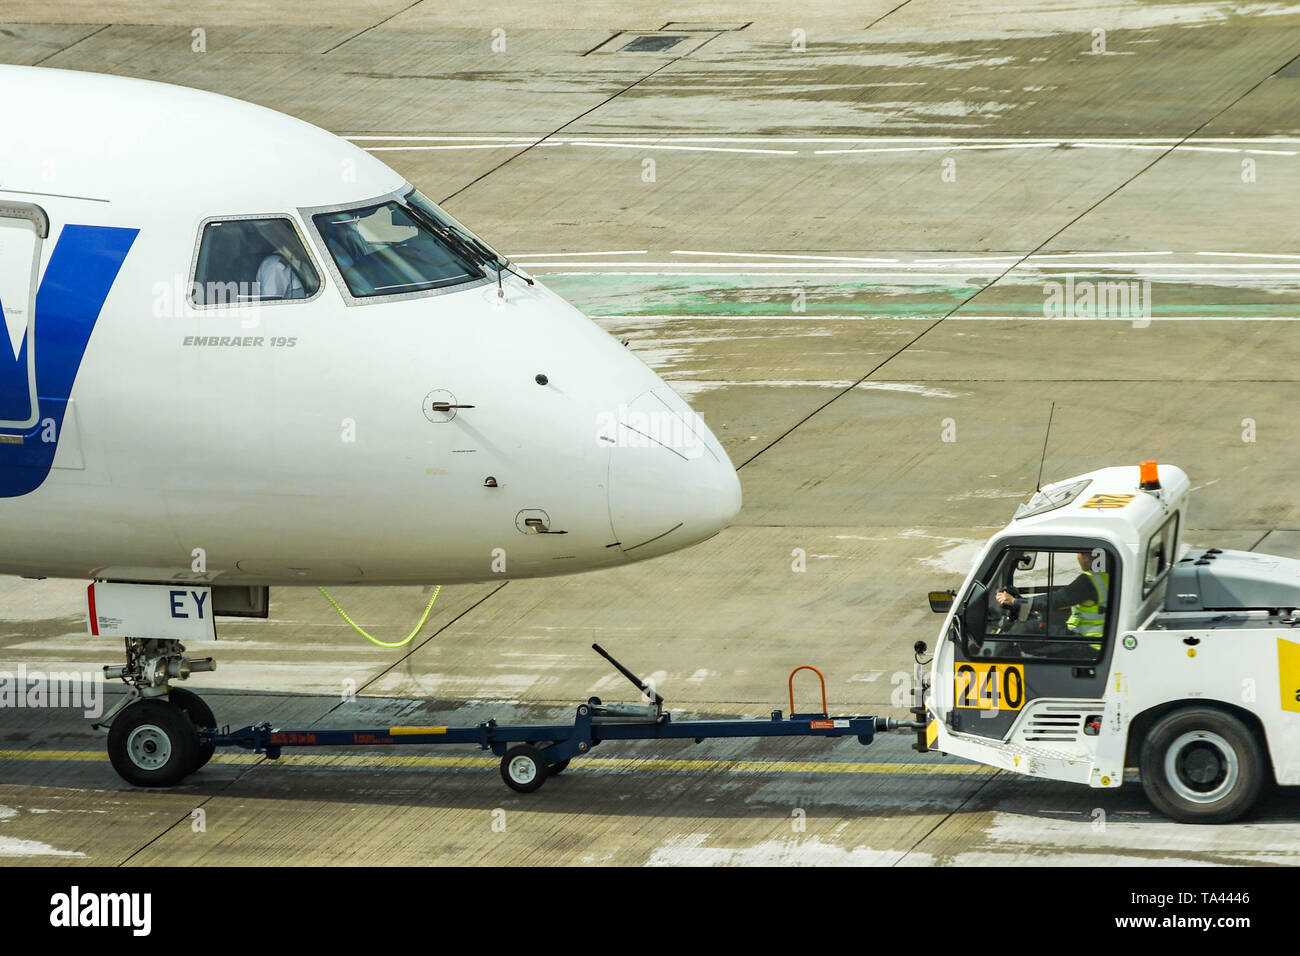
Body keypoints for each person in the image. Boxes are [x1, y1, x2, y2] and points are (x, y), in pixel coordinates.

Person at [995, 551, 1108, 644]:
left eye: (1079, 553)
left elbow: (1056, 600)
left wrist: (1015, 601)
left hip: (1089, 642)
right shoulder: (1105, 578)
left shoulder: (1088, 582)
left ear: (1087, 557)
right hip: (1097, 639)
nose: (1078, 557)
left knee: (1025, 630)